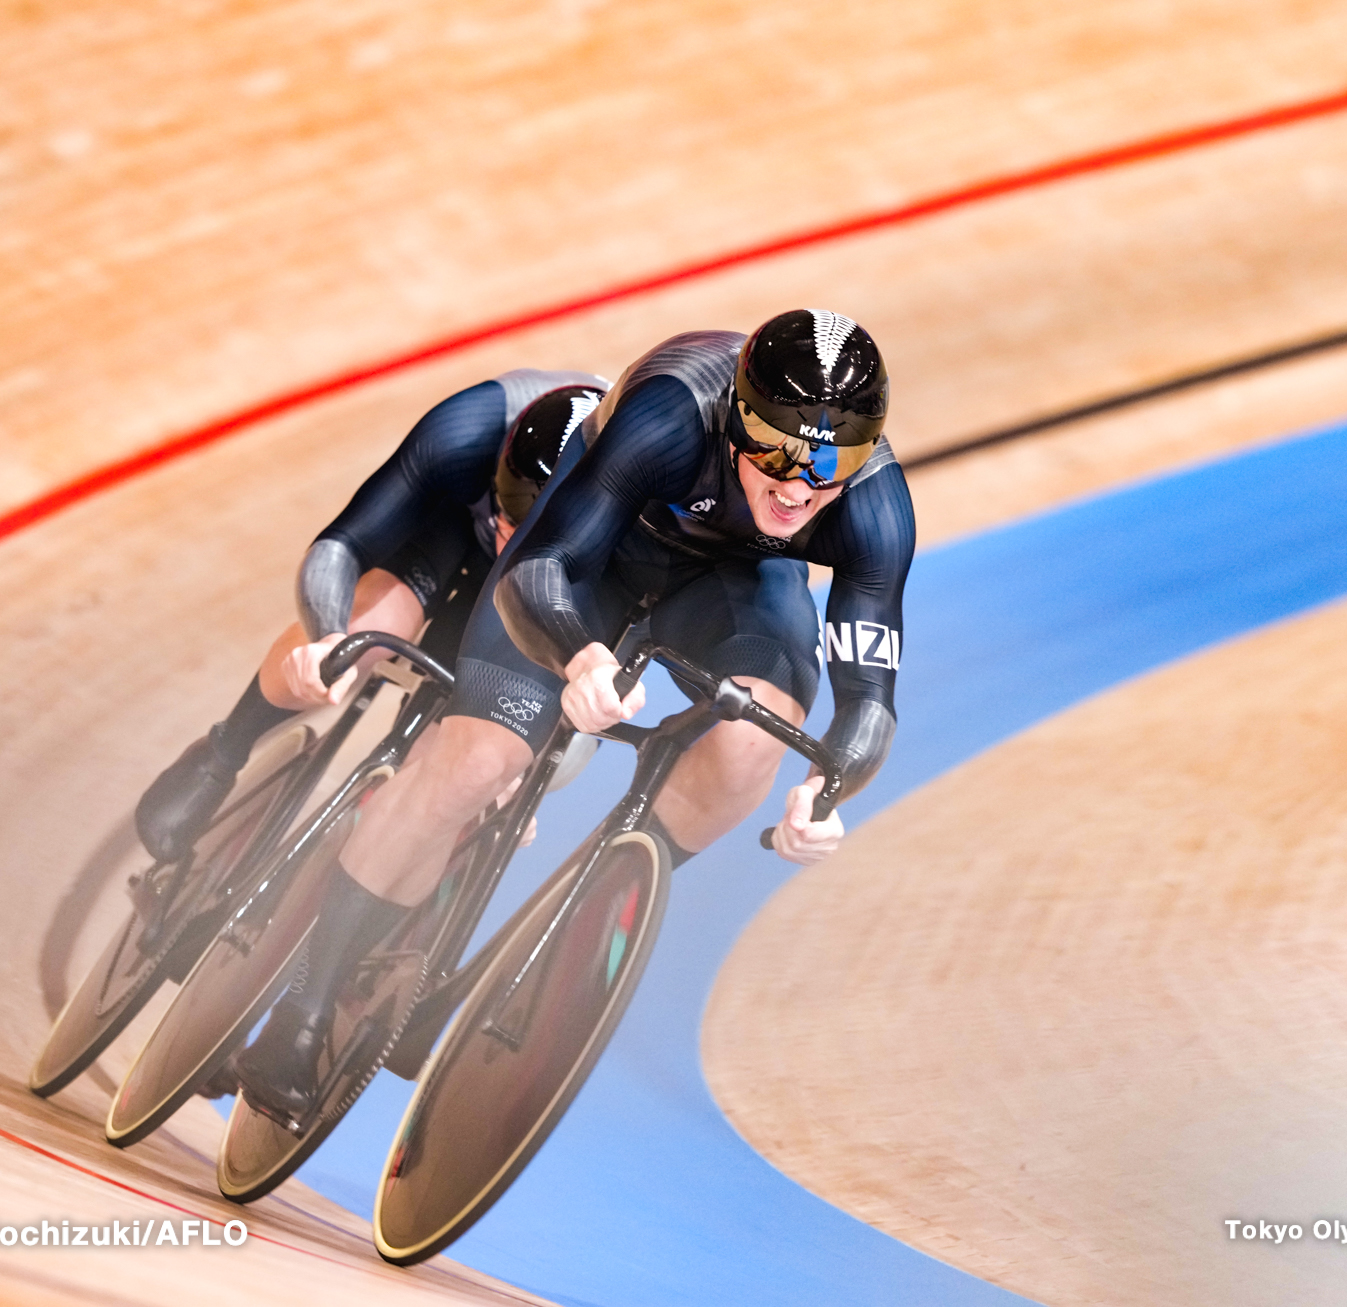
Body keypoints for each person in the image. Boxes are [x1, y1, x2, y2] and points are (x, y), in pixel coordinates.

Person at [235, 309, 913, 1123]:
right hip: (595, 555)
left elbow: (870, 697)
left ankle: (549, 929)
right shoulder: (672, 411)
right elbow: (543, 568)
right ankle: (303, 1009)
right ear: (735, 420)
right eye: (775, 448)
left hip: (737, 591)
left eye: (831, 462)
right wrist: (580, 654)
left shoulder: (873, 504)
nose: (800, 483)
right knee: (481, 757)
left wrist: (826, 788)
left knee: (750, 746)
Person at [132, 370, 608, 869]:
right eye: (510, 520)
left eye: (525, 535)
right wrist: (326, 638)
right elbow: (341, 546)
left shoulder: (634, 515)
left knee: (455, 758)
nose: (509, 542)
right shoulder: (465, 433)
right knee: (364, 633)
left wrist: (516, 763)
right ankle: (226, 748)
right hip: (450, 525)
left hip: (551, 584)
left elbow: (601, 659)